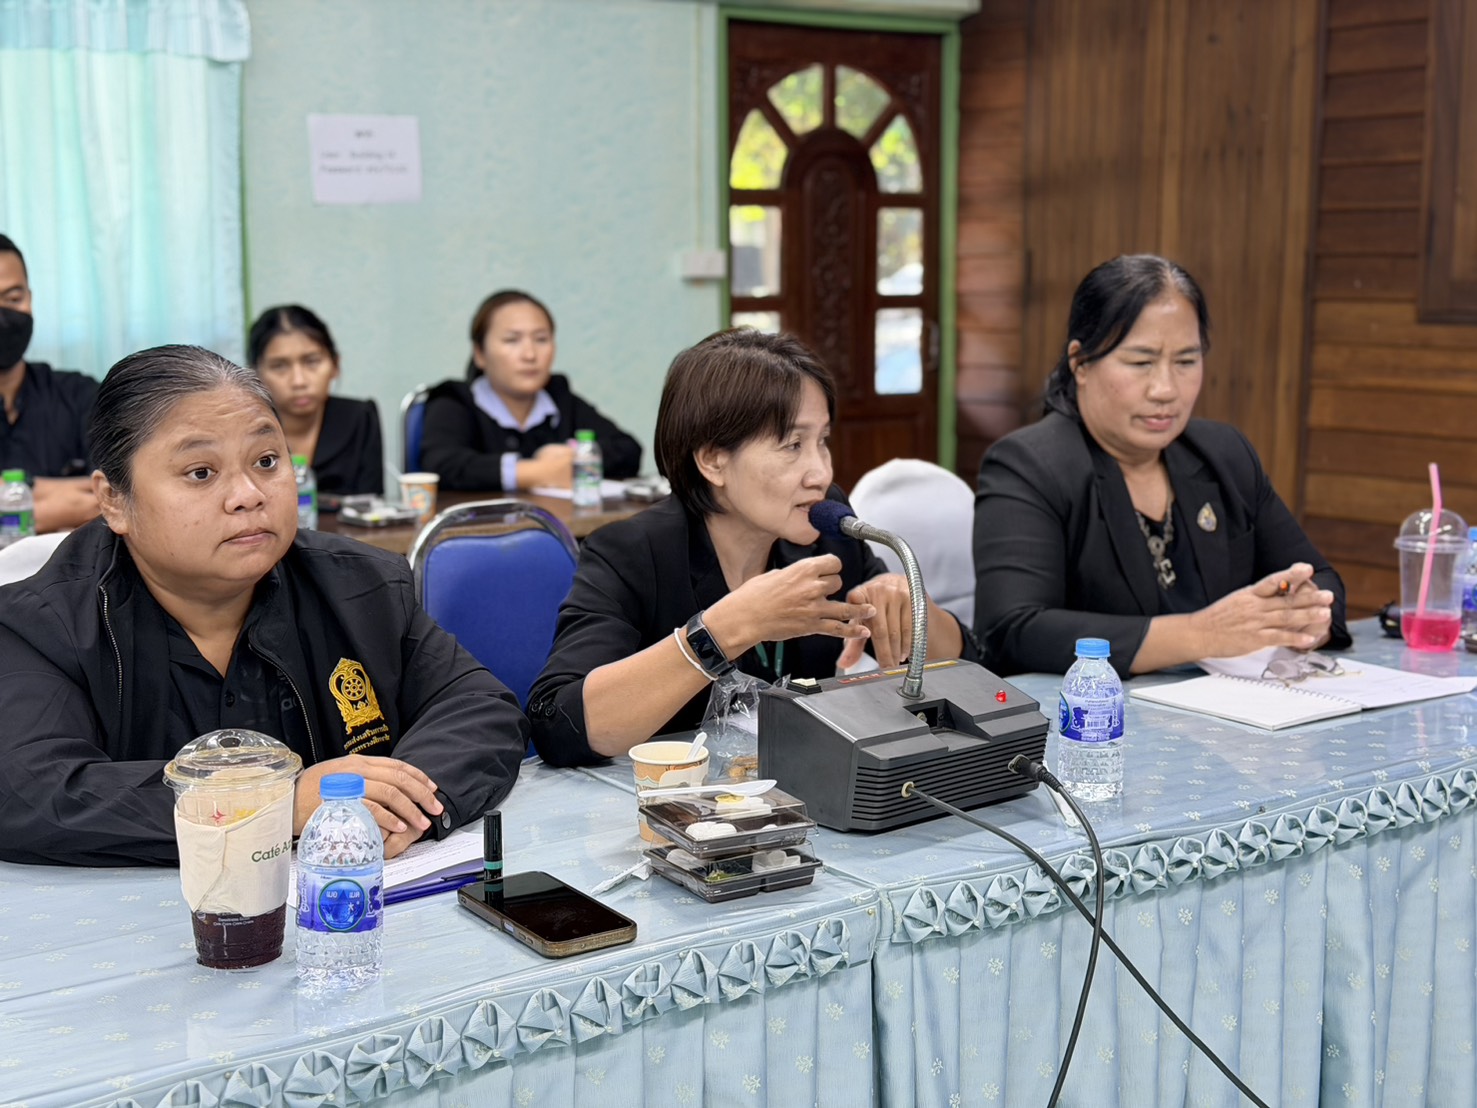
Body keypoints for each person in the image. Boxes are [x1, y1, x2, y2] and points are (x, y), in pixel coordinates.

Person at [0, 344, 528, 866]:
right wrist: (269, 806)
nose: (249, 494)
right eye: (201, 472)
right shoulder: (43, 626)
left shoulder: (362, 586)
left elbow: (480, 709)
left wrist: (390, 805)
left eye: (267, 461)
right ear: (114, 500)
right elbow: (31, 790)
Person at [528, 328, 972, 766]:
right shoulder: (632, 552)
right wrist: (723, 631)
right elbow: (557, 725)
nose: (820, 473)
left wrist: (912, 607)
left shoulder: (825, 527)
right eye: (793, 445)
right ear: (713, 460)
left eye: (822, 441)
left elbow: (975, 670)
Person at [973, 254, 1350, 677]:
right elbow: (1012, 630)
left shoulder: (1224, 454)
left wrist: (1305, 617)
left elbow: (1321, 578)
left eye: (1186, 361)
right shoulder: (1029, 465)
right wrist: (1202, 635)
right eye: (1141, 363)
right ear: (1080, 363)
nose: (1166, 389)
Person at [421, 289, 641, 491]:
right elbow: (441, 465)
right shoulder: (455, 400)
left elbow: (628, 449)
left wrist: (572, 459)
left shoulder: (559, 399)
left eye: (541, 339)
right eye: (512, 340)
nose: (530, 355)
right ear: (479, 353)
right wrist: (537, 472)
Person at [0, 234, 101, 531]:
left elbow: (117, 497)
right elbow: (93, 501)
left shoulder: (79, 395)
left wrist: (13, 495)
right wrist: (65, 502)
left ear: (30, 298)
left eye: (13, 299)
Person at [248, 304, 384, 496]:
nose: (299, 381)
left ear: (335, 365)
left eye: (312, 361)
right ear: (255, 373)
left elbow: (372, 503)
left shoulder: (360, 418)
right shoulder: (244, 428)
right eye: (279, 366)